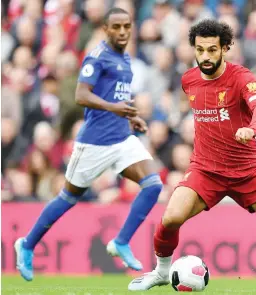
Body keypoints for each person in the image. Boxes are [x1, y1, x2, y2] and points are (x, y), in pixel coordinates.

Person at [127, 19, 256, 294]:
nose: (205, 57)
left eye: (212, 50)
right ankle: (162, 272)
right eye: (200, 50)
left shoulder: (241, 77)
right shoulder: (188, 80)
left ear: (225, 48)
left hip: (246, 169)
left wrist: (251, 129)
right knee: (171, 217)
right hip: (205, 170)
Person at [15, 8, 163, 281]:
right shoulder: (97, 56)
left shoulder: (126, 57)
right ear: (106, 29)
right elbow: (81, 95)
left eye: (126, 27)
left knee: (153, 185)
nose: (122, 32)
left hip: (122, 139)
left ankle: (121, 241)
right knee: (68, 198)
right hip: (94, 143)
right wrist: (113, 108)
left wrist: (133, 119)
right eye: (116, 27)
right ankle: (26, 244)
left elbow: (118, 98)